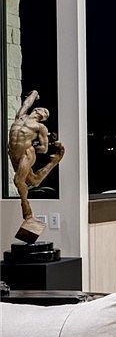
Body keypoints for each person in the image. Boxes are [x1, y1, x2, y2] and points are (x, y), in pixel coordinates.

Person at [8, 90, 66, 243]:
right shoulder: (21, 116)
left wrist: (32, 145)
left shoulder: (40, 128)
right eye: (39, 108)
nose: (39, 109)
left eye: (42, 110)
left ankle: (27, 213)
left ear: (43, 116)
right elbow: (27, 103)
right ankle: (54, 162)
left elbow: (44, 148)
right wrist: (34, 93)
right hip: (13, 154)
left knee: (18, 181)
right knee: (33, 181)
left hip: (27, 153)